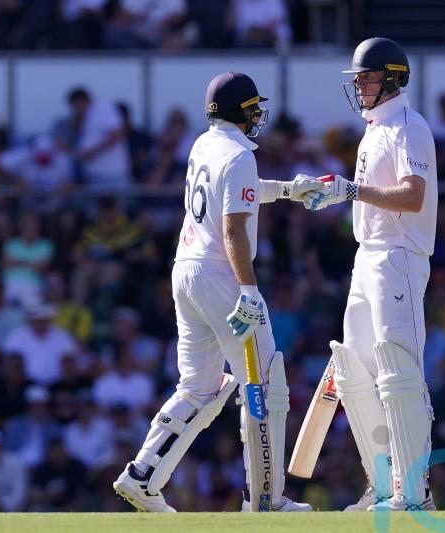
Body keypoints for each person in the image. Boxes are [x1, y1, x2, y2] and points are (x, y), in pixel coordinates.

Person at [112, 71, 319, 512]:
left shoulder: (204, 144)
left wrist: (287, 191)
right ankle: (266, 500)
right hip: (222, 278)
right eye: (253, 108)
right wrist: (248, 289)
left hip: (185, 271)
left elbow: (234, 196)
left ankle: (142, 474)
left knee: (200, 386)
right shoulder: (240, 155)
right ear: (240, 111)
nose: (258, 115)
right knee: (263, 384)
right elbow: (233, 228)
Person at [301, 37, 438, 511]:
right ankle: (382, 485)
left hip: (399, 255)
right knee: (355, 370)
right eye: (357, 79)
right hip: (368, 256)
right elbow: (366, 198)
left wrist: (352, 191)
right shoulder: (374, 128)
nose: (360, 86)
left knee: (398, 370)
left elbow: (412, 196)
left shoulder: (408, 126)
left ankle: (413, 491)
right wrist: (331, 196)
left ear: (394, 78)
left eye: (368, 77)